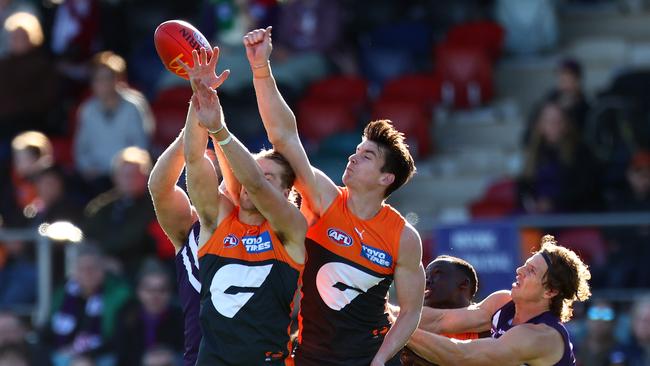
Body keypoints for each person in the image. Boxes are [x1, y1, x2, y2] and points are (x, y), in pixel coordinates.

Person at [243, 27, 424, 365]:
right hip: (311, 356)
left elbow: (411, 311)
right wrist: (260, 69)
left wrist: (382, 360)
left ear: (387, 178)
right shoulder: (325, 200)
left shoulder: (403, 237)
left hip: (367, 357)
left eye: (366, 156)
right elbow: (284, 137)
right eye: (356, 150)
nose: (353, 157)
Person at [182, 47, 306, 365]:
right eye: (255, 170)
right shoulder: (220, 218)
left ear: (286, 192)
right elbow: (195, 160)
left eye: (269, 178)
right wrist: (199, 99)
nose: (257, 182)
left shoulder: (290, 228)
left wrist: (219, 129)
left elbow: (253, 184)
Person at [147, 55, 230, 366]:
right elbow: (160, 187)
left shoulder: (259, 224)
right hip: (199, 359)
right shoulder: (189, 228)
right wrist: (198, 113)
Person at [406, 234, 591, 365]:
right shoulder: (503, 302)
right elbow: (440, 321)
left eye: (531, 271)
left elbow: (462, 356)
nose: (519, 271)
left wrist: (393, 325)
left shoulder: (541, 336)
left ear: (550, 291)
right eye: (525, 265)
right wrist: (386, 310)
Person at [73, 51, 153, 195]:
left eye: (108, 78)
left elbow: (141, 145)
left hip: (128, 175)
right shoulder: (87, 110)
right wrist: (88, 168)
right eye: (98, 79)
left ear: (118, 79)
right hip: (97, 178)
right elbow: (81, 151)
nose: (103, 83)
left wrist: (123, 170)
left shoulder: (134, 105)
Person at [400, 255, 482, 366]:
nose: (427, 281)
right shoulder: (409, 326)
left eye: (437, 273)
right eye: (426, 276)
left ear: (464, 283)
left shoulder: (490, 327)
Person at [115, 260, 184, 366]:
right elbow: (120, 355)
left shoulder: (181, 318)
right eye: (149, 290)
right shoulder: (126, 316)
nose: (155, 296)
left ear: (170, 293)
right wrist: (143, 359)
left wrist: (172, 357)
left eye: (162, 290)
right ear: (138, 291)